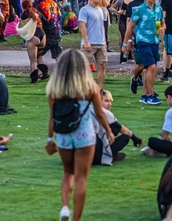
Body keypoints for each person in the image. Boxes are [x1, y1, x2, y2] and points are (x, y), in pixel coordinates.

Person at [45, 49, 113, 221]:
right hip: (85, 135)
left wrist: (49, 139)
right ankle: (76, 219)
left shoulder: (54, 89)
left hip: (63, 135)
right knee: (81, 178)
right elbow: (99, 114)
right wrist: (109, 131)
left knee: (68, 172)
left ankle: (65, 207)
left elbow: (52, 116)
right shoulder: (90, 88)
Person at [122, 0, 164, 105]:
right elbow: (130, 27)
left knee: (148, 69)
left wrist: (162, 28)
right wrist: (126, 43)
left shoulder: (158, 9)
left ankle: (144, 95)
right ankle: (151, 95)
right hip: (142, 41)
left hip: (155, 41)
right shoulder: (139, 10)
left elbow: (162, 23)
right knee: (151, 67)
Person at [92, 90, 141, 166]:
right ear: (98, 101)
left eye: (110, 101)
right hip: (97, 157)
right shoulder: (104, 112)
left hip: (83, 155)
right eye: (106, 101)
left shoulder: (87, 110)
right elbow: (122, 129)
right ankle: (109, 155)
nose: (109, 104)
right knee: (125, 137)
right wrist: (135, 139)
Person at [79, 0, 108, 88]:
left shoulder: (100, 10)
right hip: (90, 42)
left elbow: (102, 26)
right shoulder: (84, 10)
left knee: (101, 65)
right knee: (85, 67)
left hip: (100, 42)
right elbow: (82, 26)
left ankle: (99, 88)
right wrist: (86, 42)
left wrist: (104, 41)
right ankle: (85, 87)